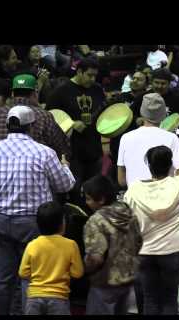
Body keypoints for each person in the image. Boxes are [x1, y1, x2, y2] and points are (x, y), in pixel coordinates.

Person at [0, 105, 76, 315]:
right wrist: (65, 165)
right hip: (33, 223)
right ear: (31, 126)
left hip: (1, 221)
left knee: (3, 279)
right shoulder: (44, 153)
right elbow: (64, 185)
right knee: (30, 277)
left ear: (8, 125)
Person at [123, 130, 179, 315]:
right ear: (171, 166)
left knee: (150, 299)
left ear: (149, 166)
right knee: (170, 298)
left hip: (145, 252)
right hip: (171, 252)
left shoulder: (134, 190)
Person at [46, 57, 106, 207]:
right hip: (72, 152)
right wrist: (70, 123)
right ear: (79, 71)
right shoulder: (61, 91)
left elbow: (102, 113)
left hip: (94, 149)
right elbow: (49, 117)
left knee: (95, 192)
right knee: (75, 192)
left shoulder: (97, 89)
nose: (92, 79)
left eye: (95, 76)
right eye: (89, 75)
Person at [0, 73, 70, 165]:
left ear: (12, 93)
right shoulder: (44, 116)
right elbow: (62, 149)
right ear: (34, 93)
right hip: (33, 177)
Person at [82, 175, 143, 315]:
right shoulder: (129, 213)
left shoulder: (96, 221)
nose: (87, 203)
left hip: (104, 283)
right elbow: (139, 242)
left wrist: (83, 269)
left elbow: (96, 258)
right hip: (127, 280)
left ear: (101, 199)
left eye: (89, 199)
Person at [19, 201, 84, 315]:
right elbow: (77, 273)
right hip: (59, 298)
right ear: (62, 223)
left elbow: (23, 273)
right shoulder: (71, 245)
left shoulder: (32, 245)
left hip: (34, 297)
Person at [117, 93, 179, 188]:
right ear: (164, 114)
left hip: (135, 199)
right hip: (164, 198)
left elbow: (121, 180)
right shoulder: (171, 138)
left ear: (142, 113)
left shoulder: (125, 137)